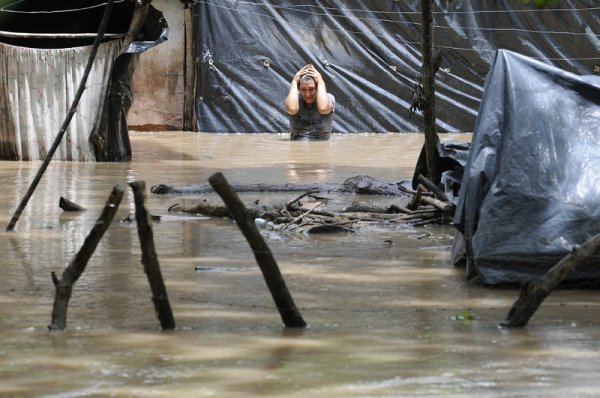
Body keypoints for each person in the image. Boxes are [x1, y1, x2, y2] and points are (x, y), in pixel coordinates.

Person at [285, 64, 335, 140]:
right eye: (303, 89)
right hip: (297, 145)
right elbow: (292, 109)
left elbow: (323, 108)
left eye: (311, 89)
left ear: (318, 87)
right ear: (298, 88)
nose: (307, 94)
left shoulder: (329, 98)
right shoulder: (294, 99)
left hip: (321, 145)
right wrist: (294, 82)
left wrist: (321, 81)